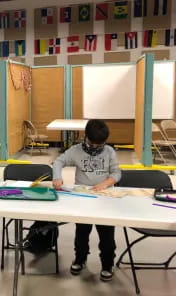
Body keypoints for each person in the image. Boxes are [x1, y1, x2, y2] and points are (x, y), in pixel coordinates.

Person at [52, 119, 121, 282]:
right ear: (86, 137)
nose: (96, 147)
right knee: (82, 233)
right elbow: (59, 161)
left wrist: (106, 183)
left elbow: (117, 173)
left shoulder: (110, 152)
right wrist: (57, 177)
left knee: (107, 235)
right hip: (82, 197)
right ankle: (80, 259)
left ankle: (107, 264)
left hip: (104, 198)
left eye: (100, 144)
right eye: (93, 143)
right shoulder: (76, 151)